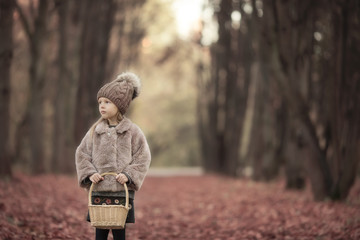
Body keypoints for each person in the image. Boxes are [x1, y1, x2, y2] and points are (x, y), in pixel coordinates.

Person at [75, 72, 151, 240]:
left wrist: (128, 175)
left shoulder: (132, 131)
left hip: (121, 192)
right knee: (100, 232)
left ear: (120, 106)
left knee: (119, 233)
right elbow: (82, 153)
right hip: (99, 190)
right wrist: (90, 173)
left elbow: (143, 156)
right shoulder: (95, 131)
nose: (102, 106)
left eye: (107, 102)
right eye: (100, 102)